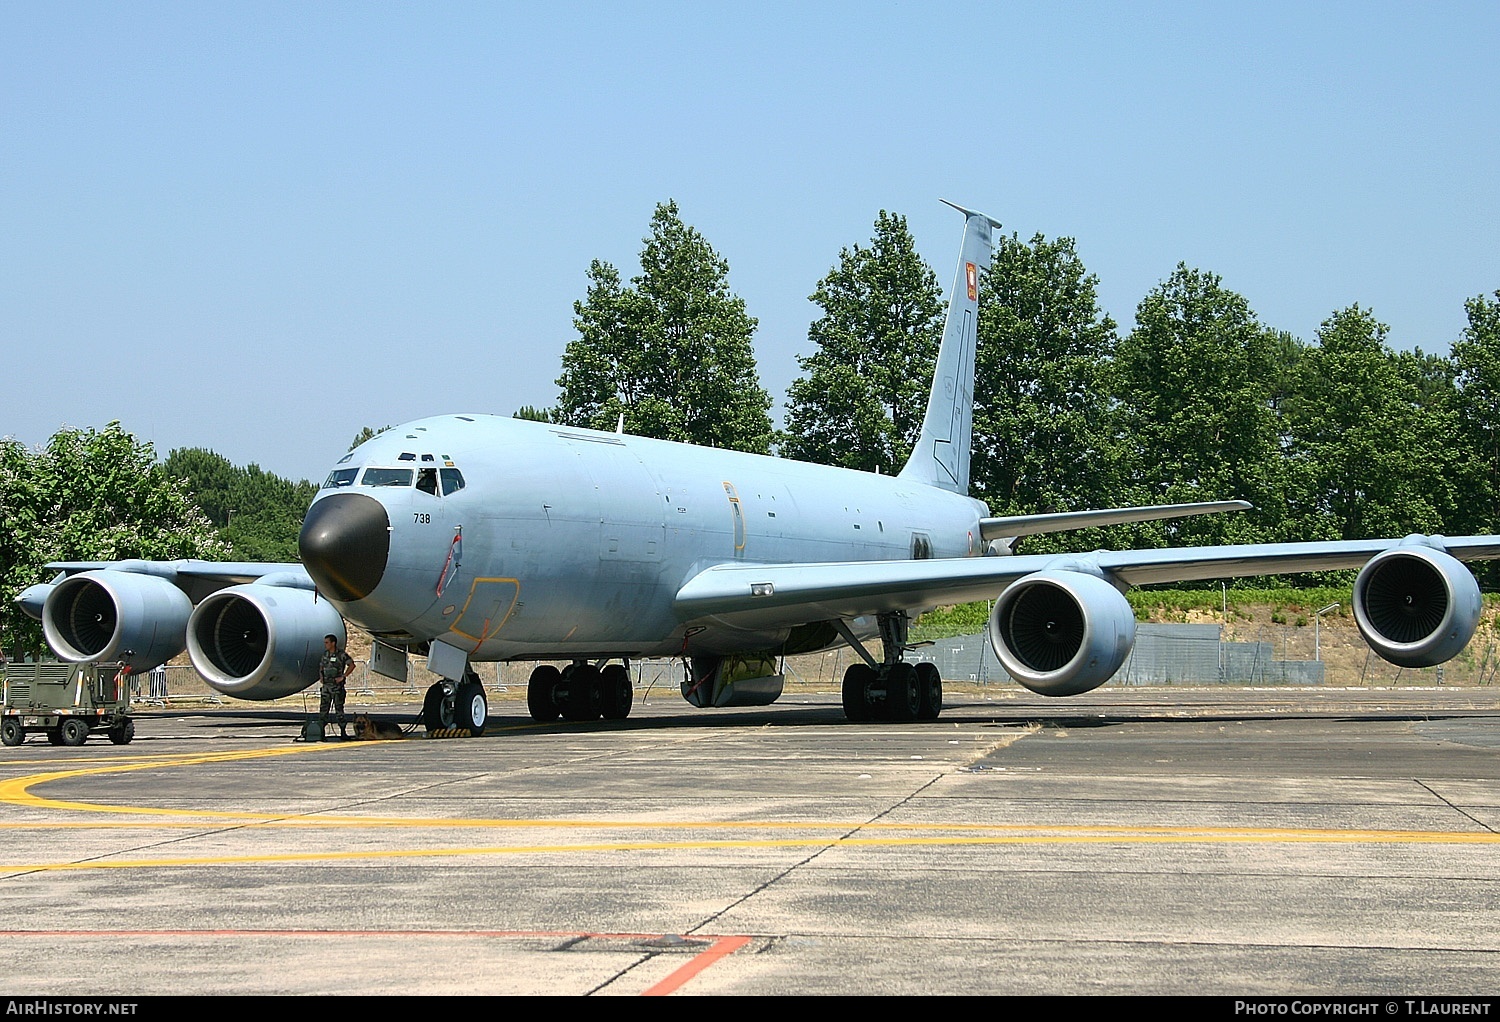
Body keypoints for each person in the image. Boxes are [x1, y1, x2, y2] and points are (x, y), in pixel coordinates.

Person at [317, 634, 356, 739]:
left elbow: (351, 665)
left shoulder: (341, 655)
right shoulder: (325, 654)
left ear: (333, 643)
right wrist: (321, 676)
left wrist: (343, 676)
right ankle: (321, 732)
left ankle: (343, 732)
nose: (325, 645)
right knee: (323, 710)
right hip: (326, 687)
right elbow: (321, 666)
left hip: (337, 687)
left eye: (327, 642)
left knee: (339, 710)